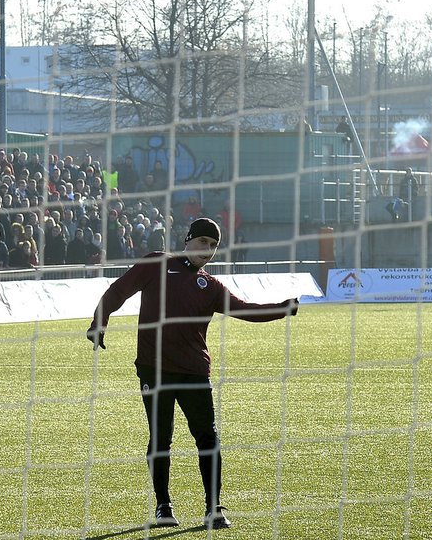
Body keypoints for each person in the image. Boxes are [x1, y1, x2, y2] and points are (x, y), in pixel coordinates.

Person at [87, 217, 298, 530]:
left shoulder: (210, 286)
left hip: (195, 372)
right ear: (187, 240)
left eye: (213, 246)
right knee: (161, 437)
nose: (208, 250)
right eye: (203, 242)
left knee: (208, 438)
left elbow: (244, 309)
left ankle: (214, 508)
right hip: (153, 370)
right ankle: (163, 506)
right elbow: (118, 291)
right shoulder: (156, 264)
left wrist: (281, 308)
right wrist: (99, 322)